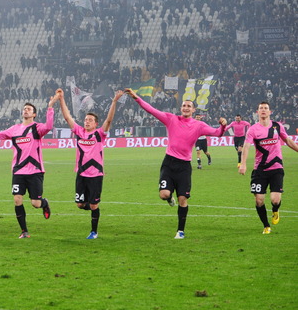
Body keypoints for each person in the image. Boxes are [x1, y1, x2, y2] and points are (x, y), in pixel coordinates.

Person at [125, 88, 227, 239]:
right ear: (181, 108)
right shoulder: (171, 119)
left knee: (182, 199)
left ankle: (180, 230)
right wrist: (136, 97)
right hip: (169, 163)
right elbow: (151, 110)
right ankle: (169, 198)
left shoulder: (199, 125)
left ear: (193, 110)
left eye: (189, 106)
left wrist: (223, 125)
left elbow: (218, 133)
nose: (186, 108)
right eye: (184, 105)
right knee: (164, 194)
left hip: (184, 166)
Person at [0, 94, 59, 238]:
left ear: (34, 114)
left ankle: (44, 203)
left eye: (29, 109)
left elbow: (49, 126)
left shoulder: (38, 128)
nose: (26, 110)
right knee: (17, 199)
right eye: (24, 109)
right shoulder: (14, 129)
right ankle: (24, 231)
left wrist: (50, 107)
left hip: (35, 171)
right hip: (19, 171)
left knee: (35, 203)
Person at [57, 88, 124, 239]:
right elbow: (68, 118)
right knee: (80, 204)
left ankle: (94, 231)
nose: (87, 122)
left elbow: (109, 120)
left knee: (93, 204)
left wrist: (114, 101)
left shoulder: (100, 134)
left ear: (96, 123)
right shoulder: (79, 132)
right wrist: (61, 99)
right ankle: (95, 210)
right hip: (81, 174)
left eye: (90, 120)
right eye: (86, 119)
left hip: (95, 175)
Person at [238, 102, 298, 234]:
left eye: (266, 108)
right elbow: (246, 147)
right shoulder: (253, 130)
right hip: (260, 170)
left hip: (276, 168)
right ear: (257, 112)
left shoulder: (277, 126)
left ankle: (275, 210)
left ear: (270, 112)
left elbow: (288, 141)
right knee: (259, 200)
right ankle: (266, 225)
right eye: (261, 108)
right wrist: (243, 163)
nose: (263, 110)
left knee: (275, 200)